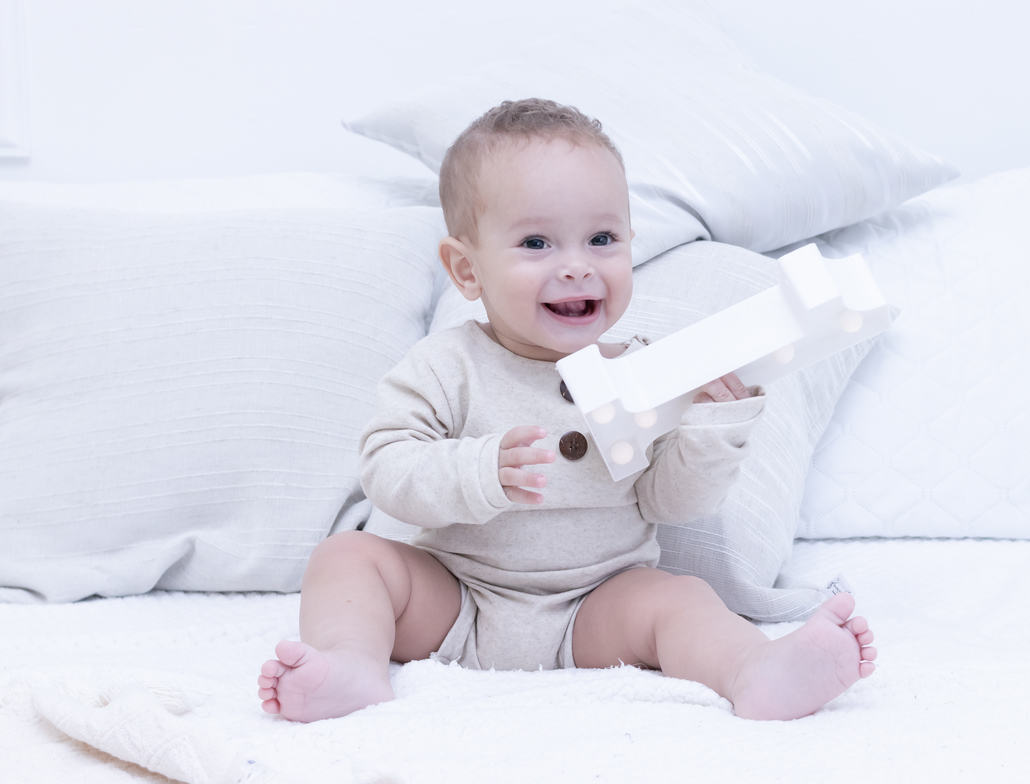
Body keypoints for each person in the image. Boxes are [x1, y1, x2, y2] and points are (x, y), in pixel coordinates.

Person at [257, 98, 876, 723]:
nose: (577, 264)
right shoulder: (447, 365)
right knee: (346, 556)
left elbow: (671, 504)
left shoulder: (644, 368)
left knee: (683, 598)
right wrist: (479, 471)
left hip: (598, 604)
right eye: (536, 242)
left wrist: (708, 434)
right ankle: (351, 665)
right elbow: (387, 471)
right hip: (458, 596)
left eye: (602, 238)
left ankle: (758, 669)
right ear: (466, 270)